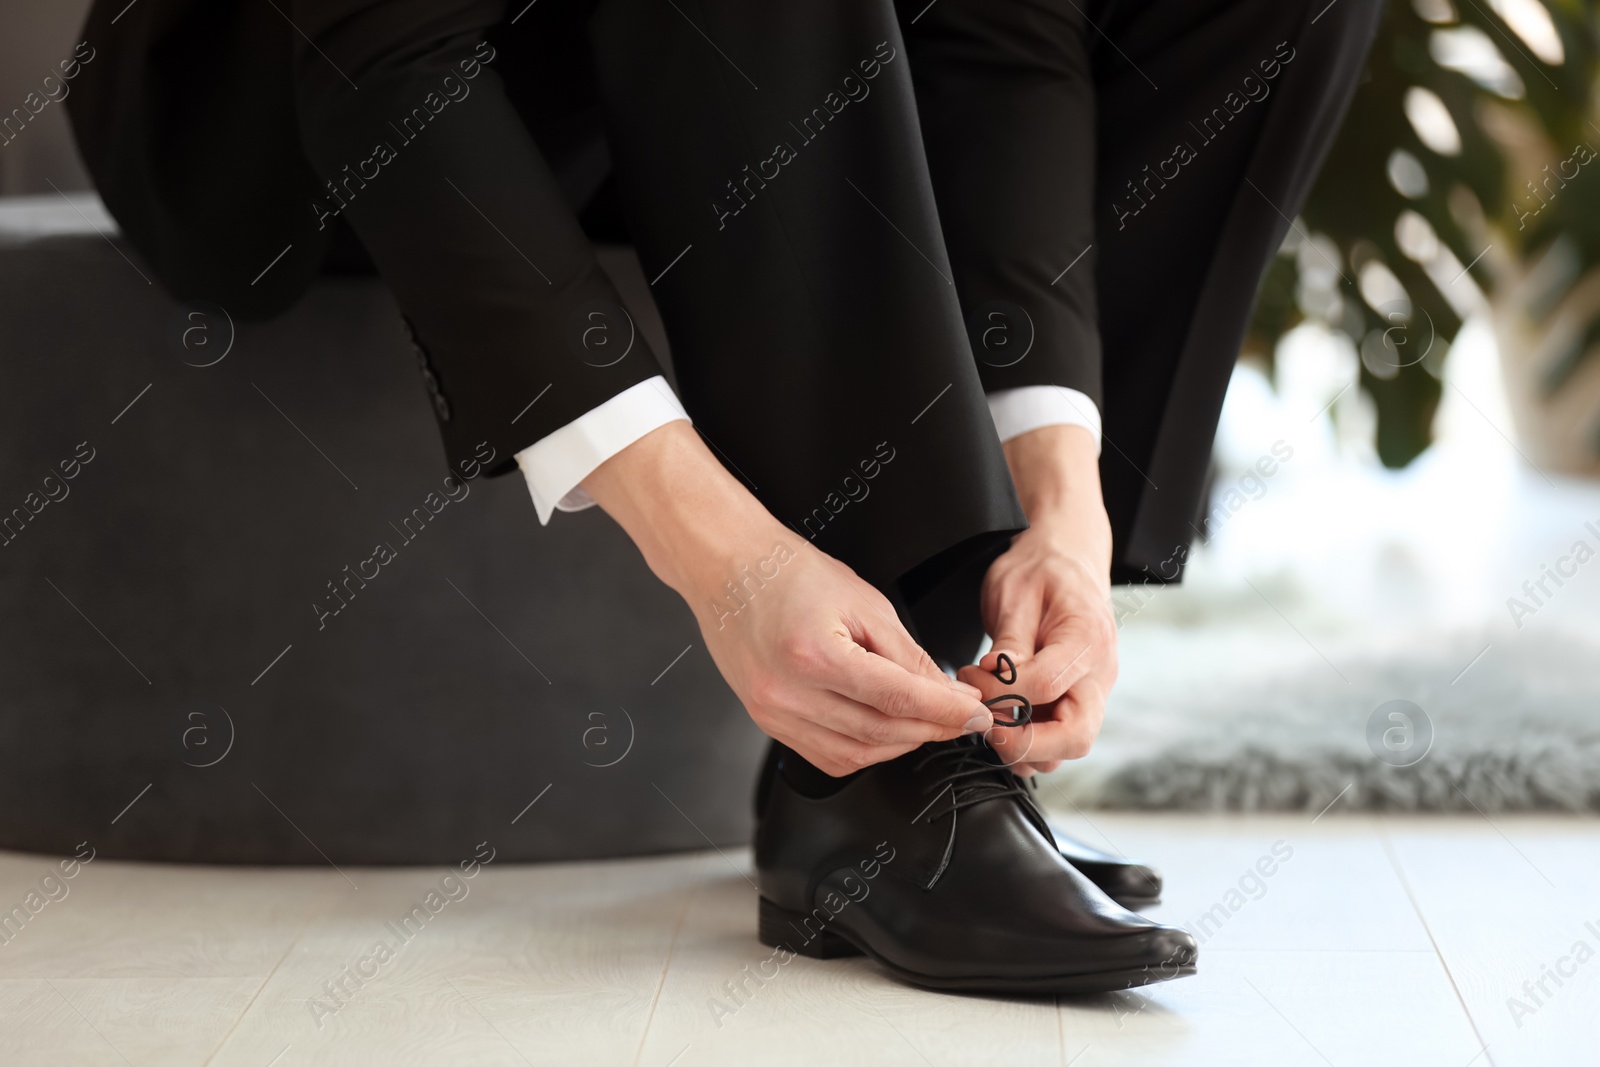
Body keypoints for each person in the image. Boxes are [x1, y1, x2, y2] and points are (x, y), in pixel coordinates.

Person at [69, 0, 1382, 993]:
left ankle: (926, 689)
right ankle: (874, 765)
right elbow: (377, 48)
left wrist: (1062, 496)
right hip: (265, 101)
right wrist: (728, 555)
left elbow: (998, 22)